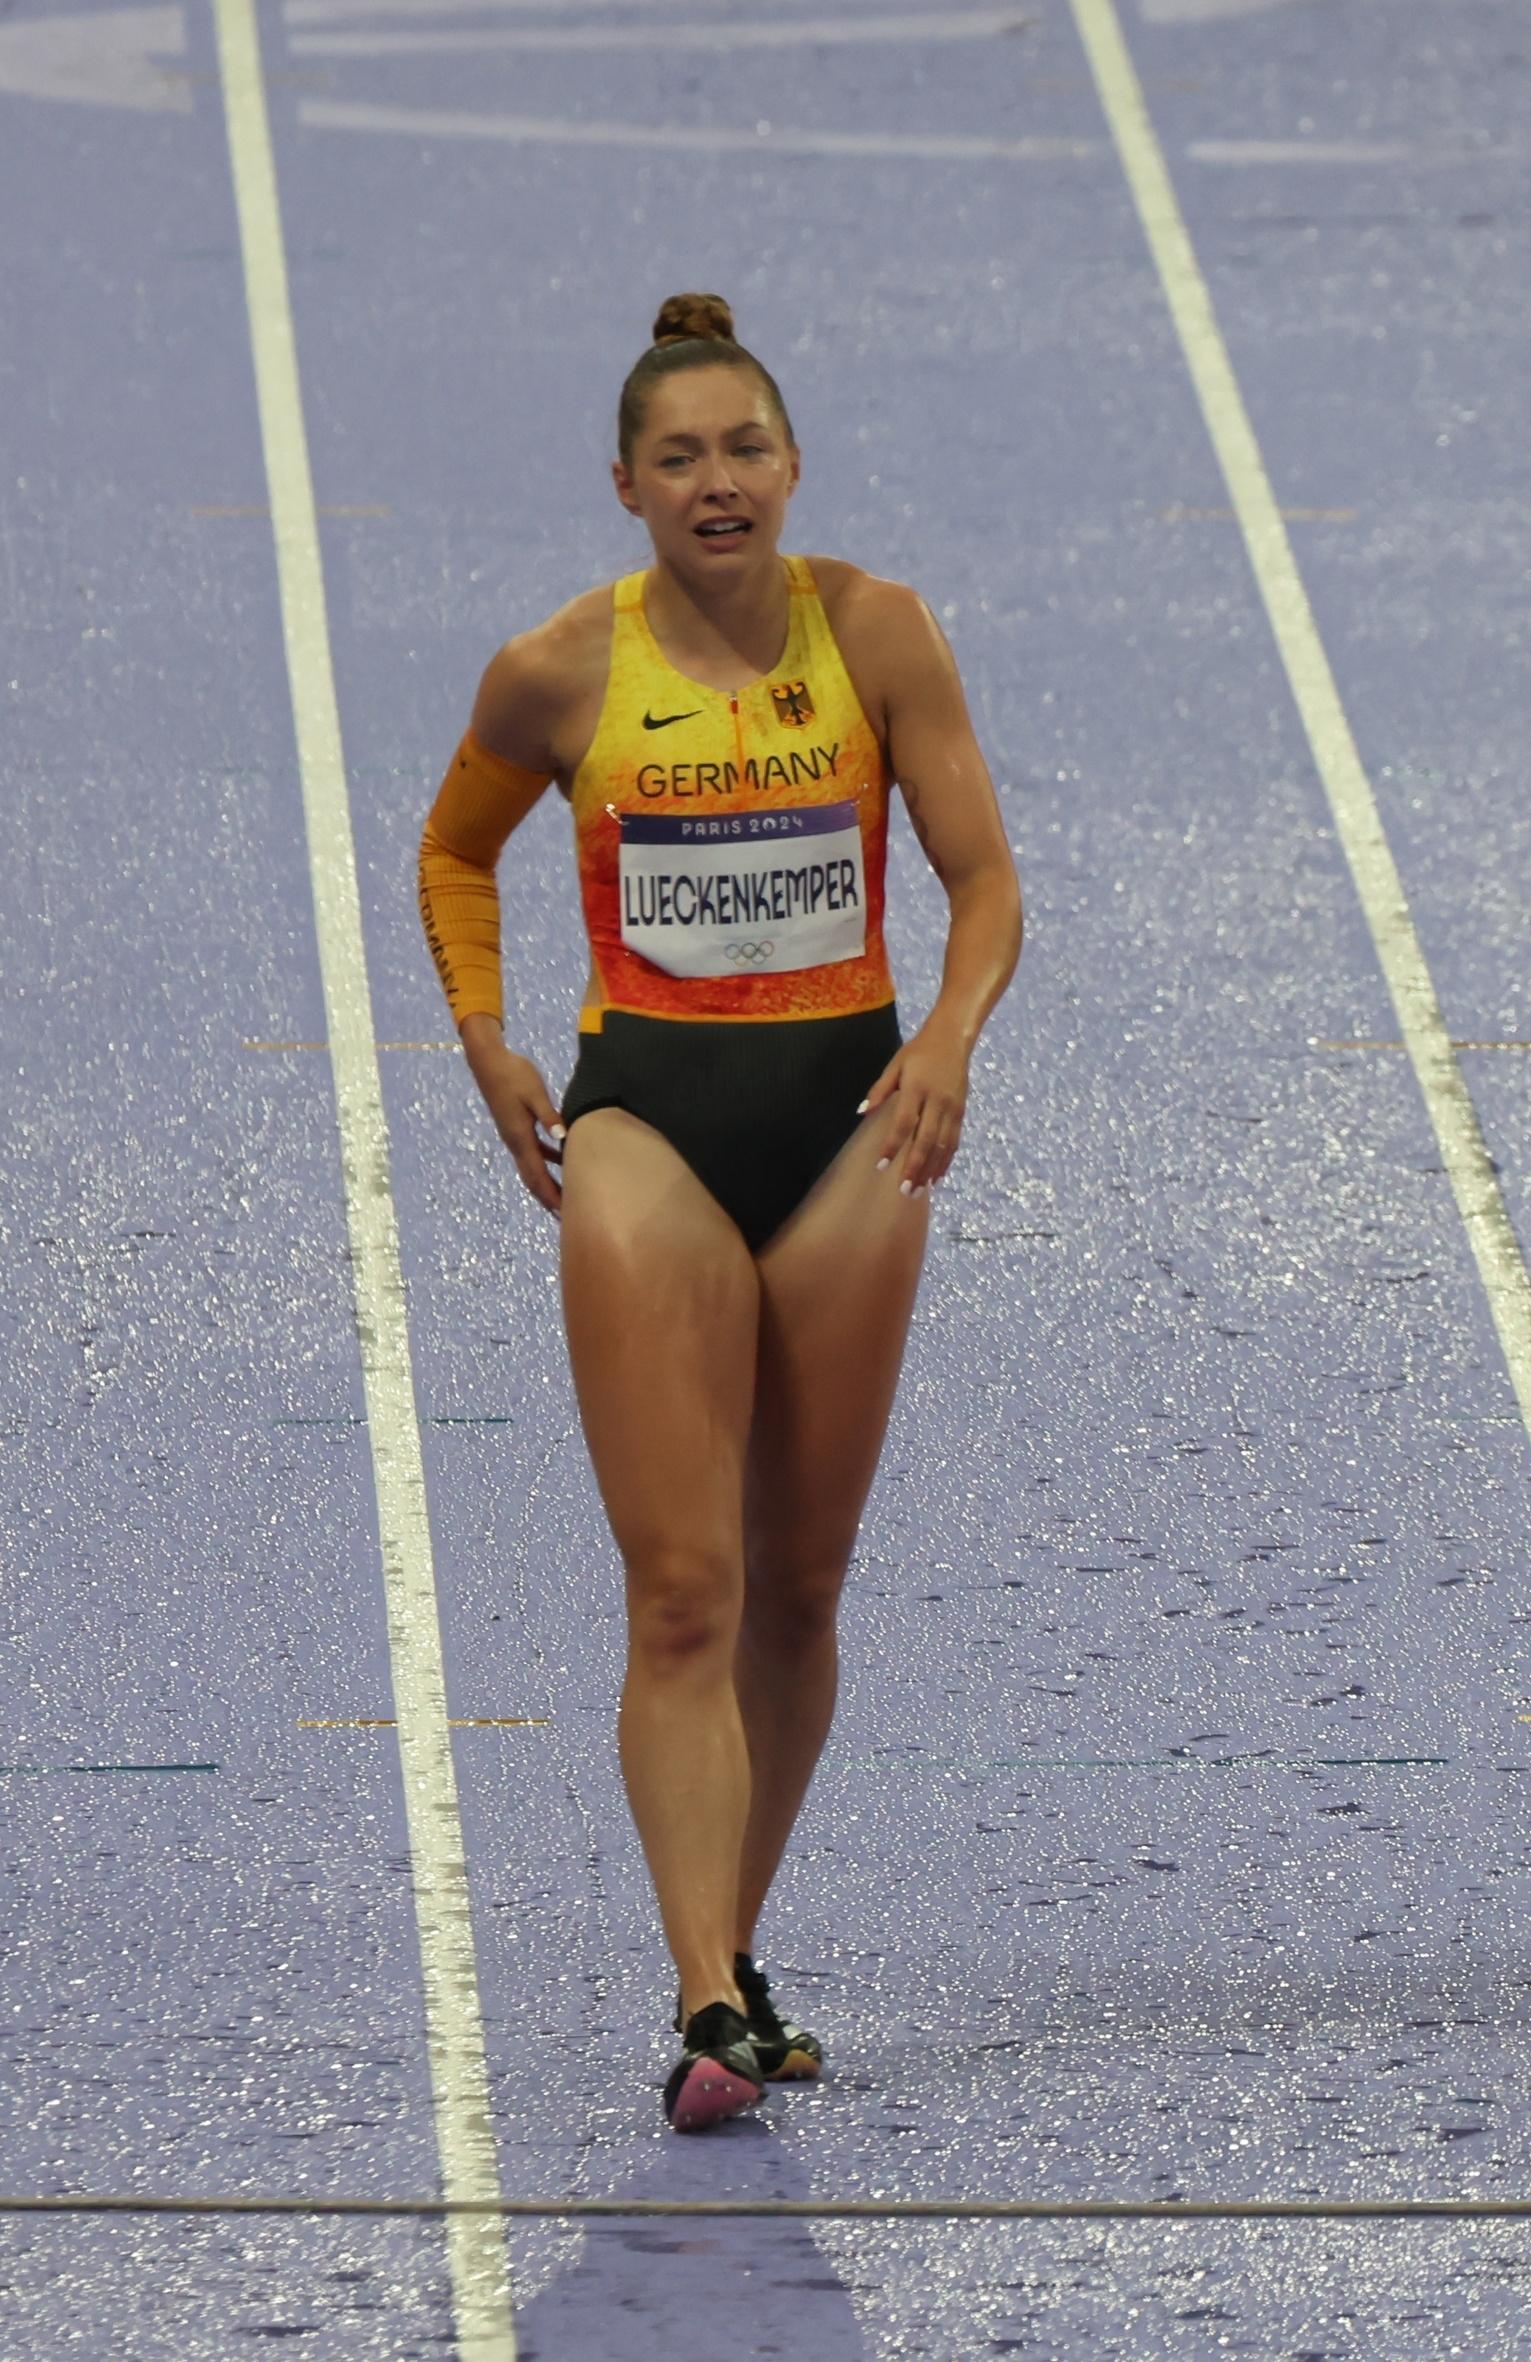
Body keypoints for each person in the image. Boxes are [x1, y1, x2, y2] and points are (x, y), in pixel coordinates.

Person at [415, 294, 1023, 2130]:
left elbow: (985, 877)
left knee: (798, 1582)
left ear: (792, 464)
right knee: (681, 1586)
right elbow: (456, 845)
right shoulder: (558, 670)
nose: (716, 481)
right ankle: (699, 1994)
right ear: (626, 487)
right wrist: (482, 1033)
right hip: (649, 1129)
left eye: (743, 447)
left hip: (846, 1127)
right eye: (677, 457)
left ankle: (732, 1960)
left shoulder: (879, 633)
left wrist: (948, 1034)